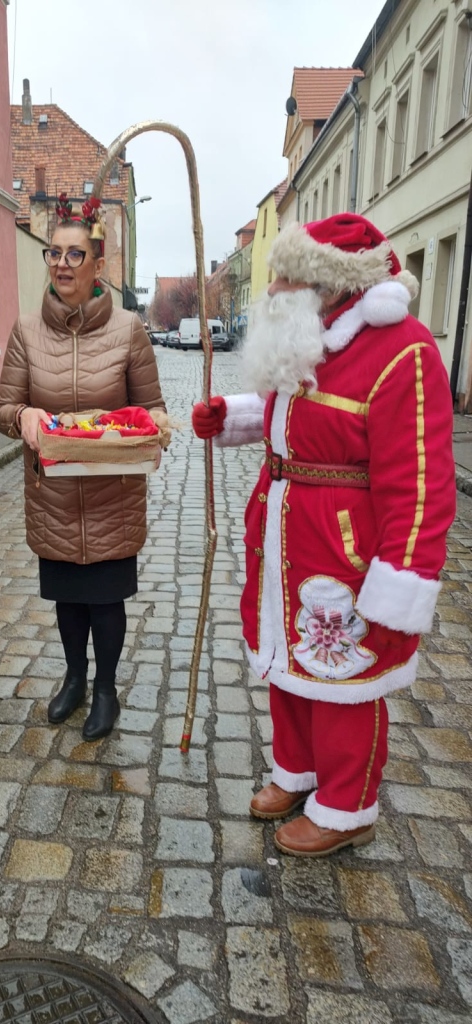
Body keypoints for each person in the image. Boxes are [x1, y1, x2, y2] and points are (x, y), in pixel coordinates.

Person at [192, 213, 456, 857]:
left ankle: (346, 807)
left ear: (330, 283)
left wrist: (402, 581)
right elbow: (294, 411)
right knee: (288, 664)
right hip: (284, 534)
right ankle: (298, 771)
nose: (274, 288)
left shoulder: (405, 351)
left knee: (342, 676)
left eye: (287, 276)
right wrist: (232, 416)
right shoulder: (313, 336)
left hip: (347, 552)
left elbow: (419, 483)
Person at [0, 194, 166, 740]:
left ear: (97, 266)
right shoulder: (26, 332)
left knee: (106, 599)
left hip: (112, 489)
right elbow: (2, 409)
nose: (61, 265)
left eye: (74, 255)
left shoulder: (129, 331)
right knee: (68, 597)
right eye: (53, 254)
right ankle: (73, 678)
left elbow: (153, 409)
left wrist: (149, 428)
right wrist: (21, 415)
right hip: (55, 494)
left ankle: (107, 690)